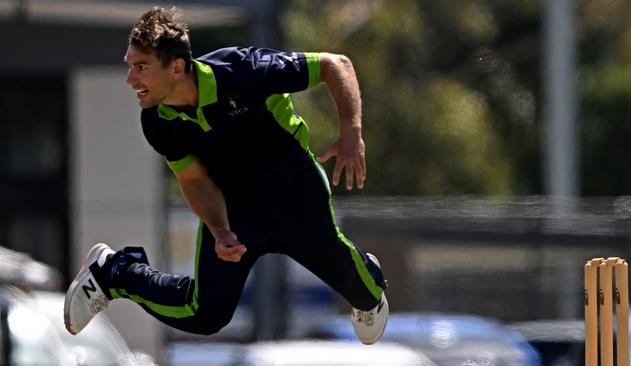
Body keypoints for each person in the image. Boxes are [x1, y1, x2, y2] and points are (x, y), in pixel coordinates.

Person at [63, 6, 388, 345]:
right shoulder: (157, 122)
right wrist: (220, 231)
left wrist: (351, 134)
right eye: (130, 67)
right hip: (237, 211)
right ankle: (115, 272)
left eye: (141, 67)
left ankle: (366, 275)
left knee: (368, 295)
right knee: (205, 315)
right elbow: (194, 180)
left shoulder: (242, 70)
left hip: (295, 195)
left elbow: (335, 65)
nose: (131, 80)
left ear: (176, 67)